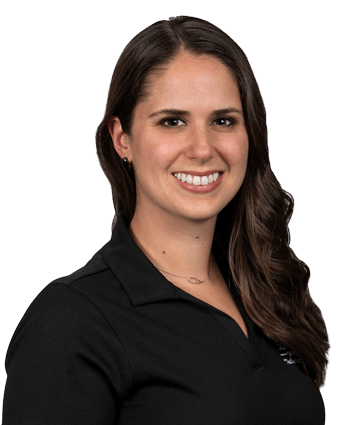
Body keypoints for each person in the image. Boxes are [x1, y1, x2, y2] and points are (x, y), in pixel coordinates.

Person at [3, 16, 329, 424]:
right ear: (123, 139)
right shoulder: (72, 321)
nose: (202, 148)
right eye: (172, 121)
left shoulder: (267, 289)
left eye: (223, 120)